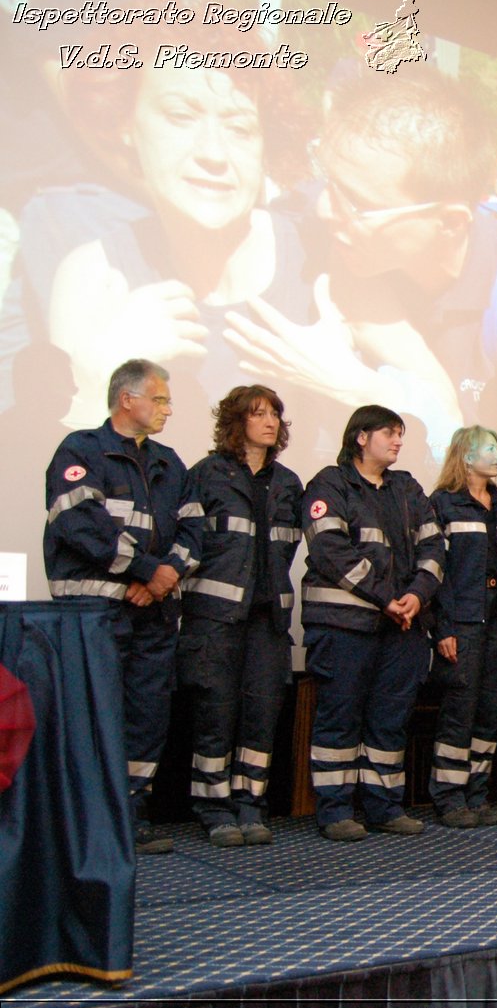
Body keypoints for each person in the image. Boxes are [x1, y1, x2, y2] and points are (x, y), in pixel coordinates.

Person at [223, 73, 497, 466]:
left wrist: (366, 391)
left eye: (354, 201)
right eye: (327, 181)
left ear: (450, 223)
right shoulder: (314, 221)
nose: (324, 209)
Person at [47, 31, 312, 447]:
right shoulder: (92, 276)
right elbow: (62, 478)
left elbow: (439, 425)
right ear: (124, 124)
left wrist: (353, 386)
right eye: (180, 117)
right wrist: (106, 373)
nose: (214, 152)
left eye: (240, 127)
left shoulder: (317, 259)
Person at [44, 358, 201, 854]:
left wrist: (165, 575)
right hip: (95, 616)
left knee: (146, 715)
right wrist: (144, 570)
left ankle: (132, 816)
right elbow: (79, 525)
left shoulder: (171, 461)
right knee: (96, 713)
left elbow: (195, 528)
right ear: (126, 399)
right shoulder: (81, 450)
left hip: (153, 615)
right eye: (160, 399)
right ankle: (91, 824)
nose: (167, 410)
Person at [301, 405, 443, 841]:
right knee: (340, 716)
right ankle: (336, 811)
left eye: (401, 434)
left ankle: (384, 807)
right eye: (389, 433)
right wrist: (386, 599)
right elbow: (330, 551)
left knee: (389, 719)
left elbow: (435, 547)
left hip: (401, 629)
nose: (398, 441)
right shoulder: (330, 483)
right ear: (361, 437)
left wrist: (416, 595)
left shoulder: (407, 488)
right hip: (345, 626)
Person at [178, 385, 303, 847]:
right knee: (216, 713)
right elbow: (191, 545)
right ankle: (214, 808)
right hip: (216, 619)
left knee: (261, 715)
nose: (270, 422)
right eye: (258, 414)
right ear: (237, 421)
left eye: (275, 413)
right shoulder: (206, 475)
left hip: (267, 622)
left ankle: (250, 805)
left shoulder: (288, 482)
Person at [427, 426, 497, 829]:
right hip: (461, 626)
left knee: (488, 712)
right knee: (459, 712)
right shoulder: (443, 505)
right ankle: (449, 798)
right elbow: (437, 574)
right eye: (489, 448)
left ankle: (476, 794)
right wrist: (443, 628)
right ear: (467, 457)